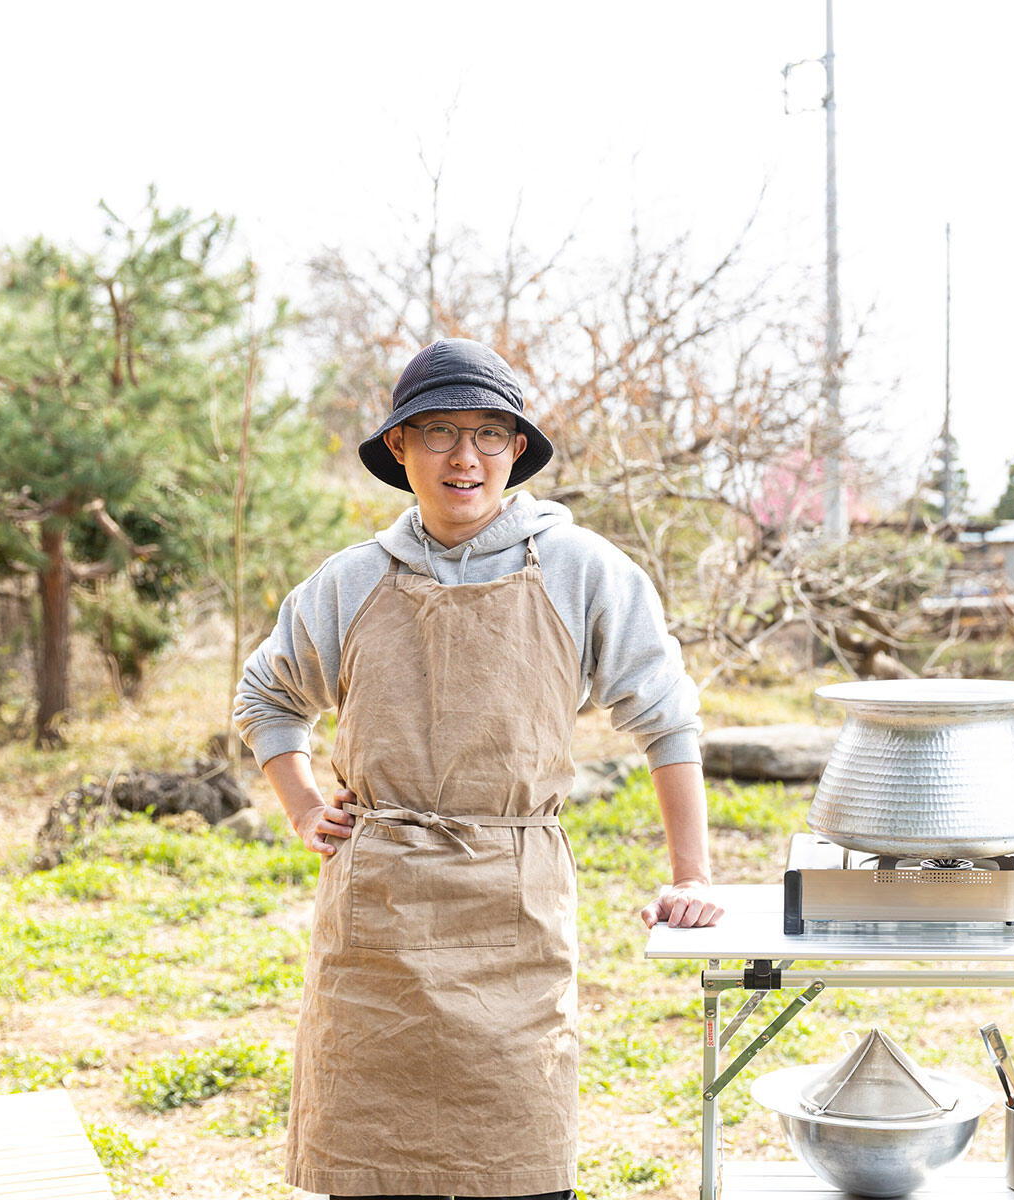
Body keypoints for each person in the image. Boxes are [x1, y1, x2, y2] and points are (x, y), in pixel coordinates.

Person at [234, 337, 723, 1200]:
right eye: (439, 432)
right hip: (378, 918)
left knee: (522, 1167)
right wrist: (304, 806)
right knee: (369, 1176)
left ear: (516, 448)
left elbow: (666, 720)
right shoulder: (350, 581)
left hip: (514, 907)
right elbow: (266, 696)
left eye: (489, 433)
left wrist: (693, 876)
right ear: (400, 446)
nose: (465, 457)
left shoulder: (582, 569)